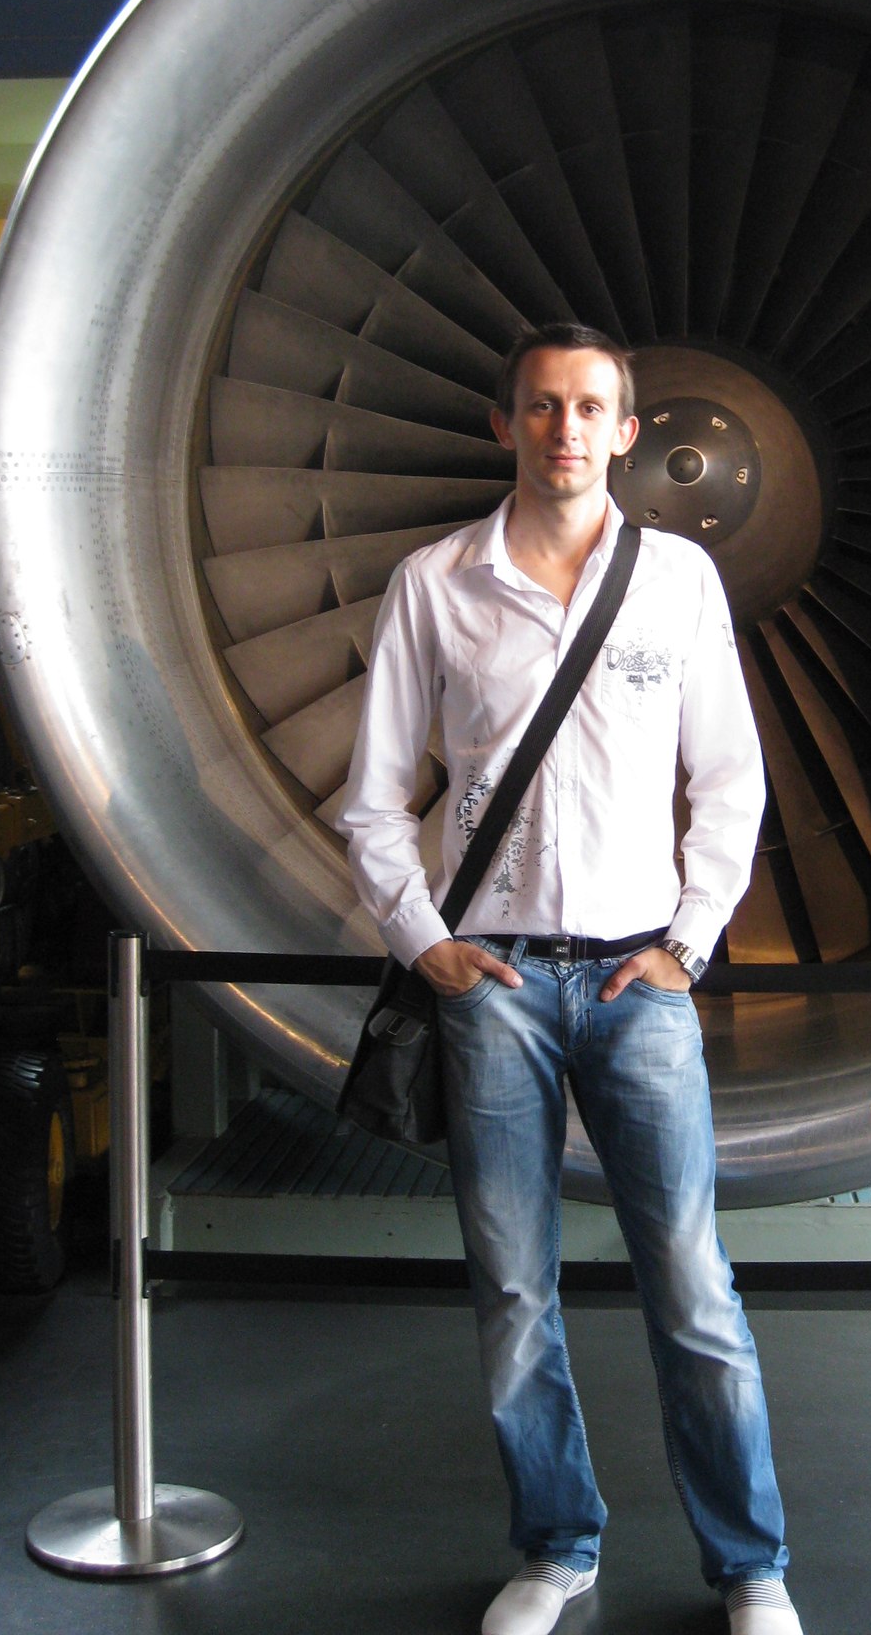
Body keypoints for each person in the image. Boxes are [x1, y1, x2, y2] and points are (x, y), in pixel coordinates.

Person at [337, 322, 802, 1635]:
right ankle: (556, 1546)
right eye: (542, 406)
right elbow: (373, 799)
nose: (566, 429)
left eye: (591, 407)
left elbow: (731, 779)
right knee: (512, 1290)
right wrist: (426, 944)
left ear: (628, 430)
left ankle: (751, 1566)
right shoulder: (436, 584)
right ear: (506, 425)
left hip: (635, 989)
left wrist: (688, 946)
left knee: (692, 1287)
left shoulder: (678, 581)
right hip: (492, 987)